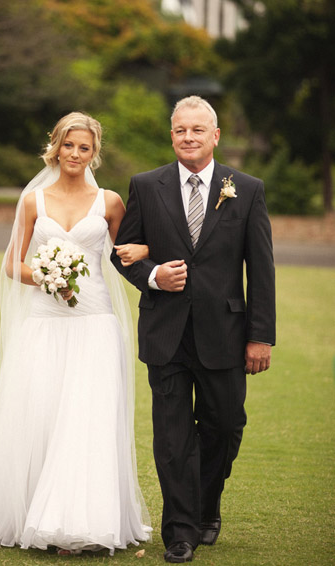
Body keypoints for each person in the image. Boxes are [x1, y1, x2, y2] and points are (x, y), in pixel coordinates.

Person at [0, 111, 152, 555]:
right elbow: (11, 264)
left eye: (84, 147)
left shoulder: (111, 203)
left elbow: (125, 255)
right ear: (56, 147)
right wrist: (46, 277)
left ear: (94, 152)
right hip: (44, 319)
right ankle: (31, 515)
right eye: (68, 145)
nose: (75, 154)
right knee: (39, 413)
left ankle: (78, 524)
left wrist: (148, 249)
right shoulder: (32, 202)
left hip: (94, 320)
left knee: (87, 418)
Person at [111, 96, 276, 563]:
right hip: (165, 332)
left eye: (198, 130)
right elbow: (123, 251)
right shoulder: (146, 185)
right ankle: (180, 532)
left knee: (224, 427)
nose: (189, 137)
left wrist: (260, 336)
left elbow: (260, 270)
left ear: (215, 136)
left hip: (225, 332)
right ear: (172, 135)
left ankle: (206, 506)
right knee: (172, 438)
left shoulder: (246, 188)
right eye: (181, 130)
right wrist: (153, 276)